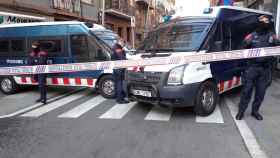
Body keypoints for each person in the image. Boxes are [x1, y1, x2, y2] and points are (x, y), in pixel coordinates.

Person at [236, 15, 279, 120]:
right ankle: (241, 111)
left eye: (266, 23)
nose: (265, 25)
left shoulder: (272, 36)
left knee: (260, 92)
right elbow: (241, 48)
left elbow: (278, 46)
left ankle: (255, 111)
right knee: (247, 91)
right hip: (252, 68)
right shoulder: (251, 36)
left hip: (265, 69)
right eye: (263, 23)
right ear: (259, 24)